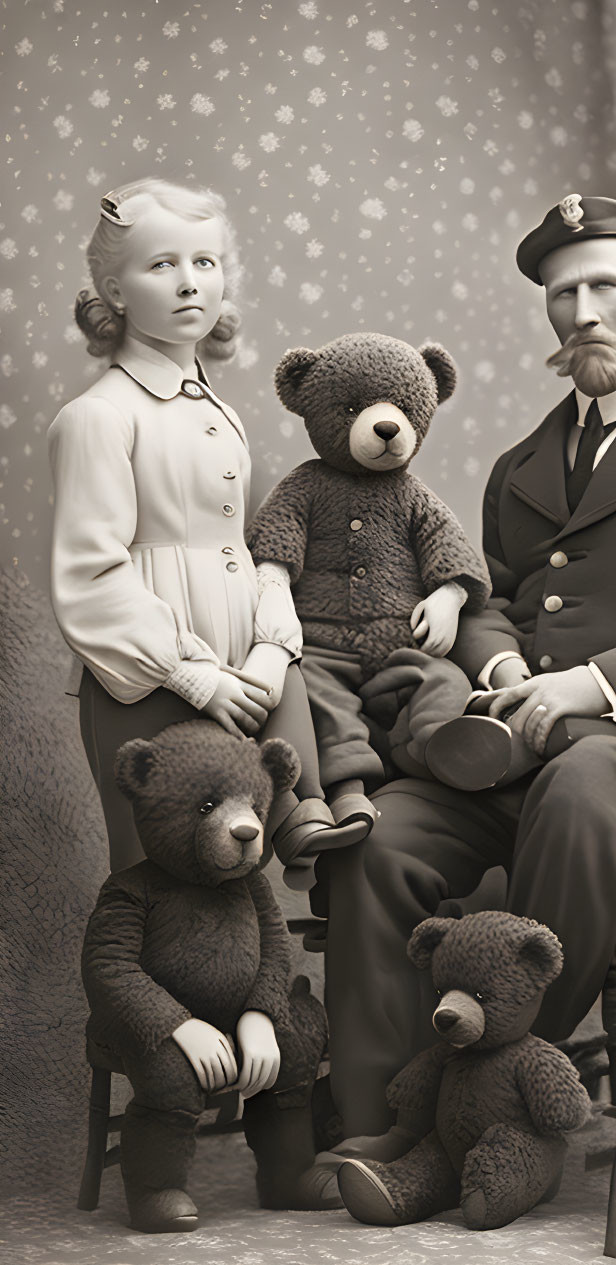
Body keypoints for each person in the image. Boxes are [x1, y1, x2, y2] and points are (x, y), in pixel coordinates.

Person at [320, 194, 616, 1143]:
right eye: (561, 292)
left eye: (605, 285)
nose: (582, 309)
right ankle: (382, 1119)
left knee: (584, 784)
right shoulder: (518, 466)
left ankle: (495, 1109)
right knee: (378, 836)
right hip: (517, 748)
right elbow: (483, 597)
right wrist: (497, 654)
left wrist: (584, 687)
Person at [48, 178, 365, 876]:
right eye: (162, 264)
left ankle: (307, 815)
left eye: (205, 262)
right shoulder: (99, 417)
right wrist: (194, 676)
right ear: (117, 290)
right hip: (145, 676)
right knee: (159, 879)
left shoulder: (217, 411)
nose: (190, 282)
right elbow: (89, 576)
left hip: (239, 663)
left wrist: (266, 649)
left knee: (237, 873)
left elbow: (239, 547)